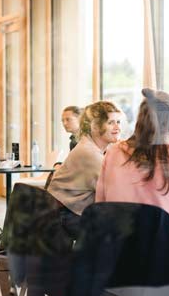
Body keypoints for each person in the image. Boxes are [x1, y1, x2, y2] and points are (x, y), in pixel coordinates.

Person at [95, 88, 169, 234]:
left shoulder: (113, 151)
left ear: (140, 118)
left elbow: (100, 203)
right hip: (160, 247)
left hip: (119, 247)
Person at [48, 101, 122, 239]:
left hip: (71, 210)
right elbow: (114, 191)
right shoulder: (89, 153)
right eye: (111, 122)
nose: (117, 127)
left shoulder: (95, 147)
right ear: (94, 127)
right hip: (66, 216)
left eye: (118, 122)